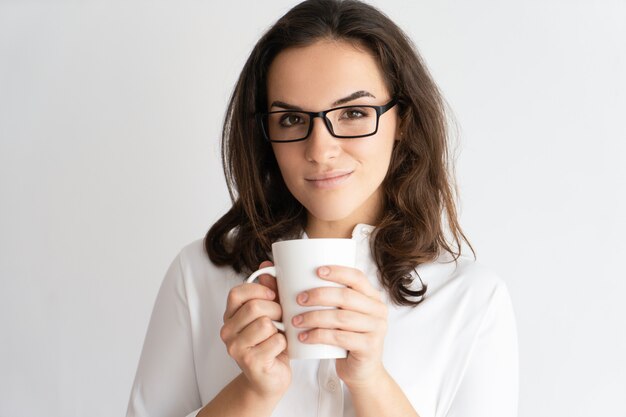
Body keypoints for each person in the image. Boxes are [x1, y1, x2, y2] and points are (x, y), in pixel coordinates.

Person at [126, 1, 518, 416]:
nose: (320, 150)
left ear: (402, 119)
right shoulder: (198, 275)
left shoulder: (472, 299)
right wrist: (253, 392)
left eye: (353, 112)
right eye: (292, 120)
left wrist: (371, 381)